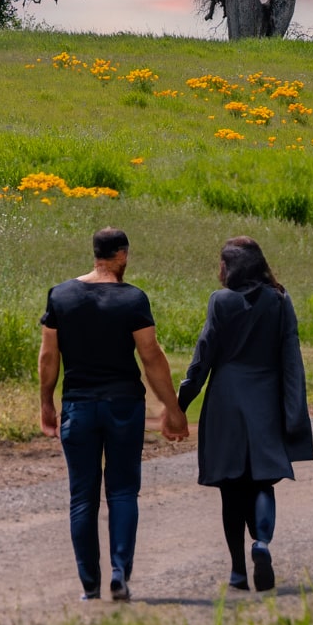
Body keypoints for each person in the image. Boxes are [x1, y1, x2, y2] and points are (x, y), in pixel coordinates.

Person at [39, 226, 188, 602]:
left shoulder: (61, 295)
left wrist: (46, 401)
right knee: (123, 491)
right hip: (124, 406)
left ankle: (90, 585)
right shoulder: (133, 299)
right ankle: (120, 573)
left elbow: (48, 356)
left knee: (82, 497)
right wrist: (172, 409)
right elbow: (151, 357)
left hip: (78, 406)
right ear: (121, 255)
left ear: (95, 254)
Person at [176, 235, 312, 593]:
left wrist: (183, 398)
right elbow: (291, 358)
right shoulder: (280, 300)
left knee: (230, 488)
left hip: (226, 400)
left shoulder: (220, 301)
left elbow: (204, 354)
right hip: (266, 398)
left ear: (229, 267)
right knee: (263, 481)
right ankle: (262, 543)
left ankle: (238, 571)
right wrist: (294, 409)